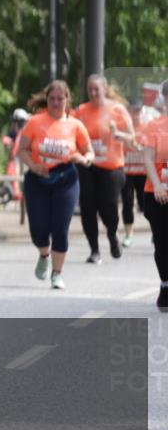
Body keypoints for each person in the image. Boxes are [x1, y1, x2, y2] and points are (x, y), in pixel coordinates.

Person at [17, 80, 95, 290]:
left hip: (66, 179)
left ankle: (57, 274)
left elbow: (89, 152)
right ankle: (44, 254)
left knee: (60, 228)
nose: (56, 102)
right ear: (47, 99)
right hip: (38, 179)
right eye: (52, 98)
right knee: (39, 230)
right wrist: (33, 166)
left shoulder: (75, 125)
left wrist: (85, 159)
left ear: (67, 99)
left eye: (60, 99)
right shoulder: (35, 122)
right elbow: (21, 150)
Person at [71, 74, 134, 263]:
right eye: (89, 89)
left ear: (104, 89)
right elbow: (69, 130)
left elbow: (132, 138)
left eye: (96, 89)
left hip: (112, 167)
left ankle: (113, 235)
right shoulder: (82, 110)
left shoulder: (117, 110)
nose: (92, 93)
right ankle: (94, 250)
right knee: (88, 207)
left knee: (108, 208)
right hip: (88, 165)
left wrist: (118, 134)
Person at [139, 81, 168, 311]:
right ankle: (165, 284)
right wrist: (158, 185)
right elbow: (148, 158)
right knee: (162, 243)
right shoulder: (154, 127)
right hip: (158, 195)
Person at [122, 98, 148, 248]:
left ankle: (155, 231)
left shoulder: (147, 128)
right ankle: (128, 234)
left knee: (145, 205)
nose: (135, 115)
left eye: (138, 111)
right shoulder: (124, 129)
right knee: (127, 202)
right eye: (132, 111)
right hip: (127, 172)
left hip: (143, 172)